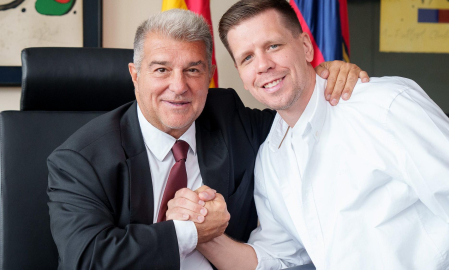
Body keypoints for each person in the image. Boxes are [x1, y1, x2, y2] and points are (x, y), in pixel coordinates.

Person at [167, 1, 449, 270]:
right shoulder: (271, 157)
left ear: (305, 46)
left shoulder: (385, 106)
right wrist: (201, 229)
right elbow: (278, 258)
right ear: (243, 78)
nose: (263, 65)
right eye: (247, 58)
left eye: (273, 45)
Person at [46, 9, 368, 270]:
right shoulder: (80, 159)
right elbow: (86, 259)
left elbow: (299, 114)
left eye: (193, 70)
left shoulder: (228, 114)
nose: (178, 86)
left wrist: (327, 76)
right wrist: (191, 232)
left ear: (210, 73)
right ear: (135, 75)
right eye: (161, 70)